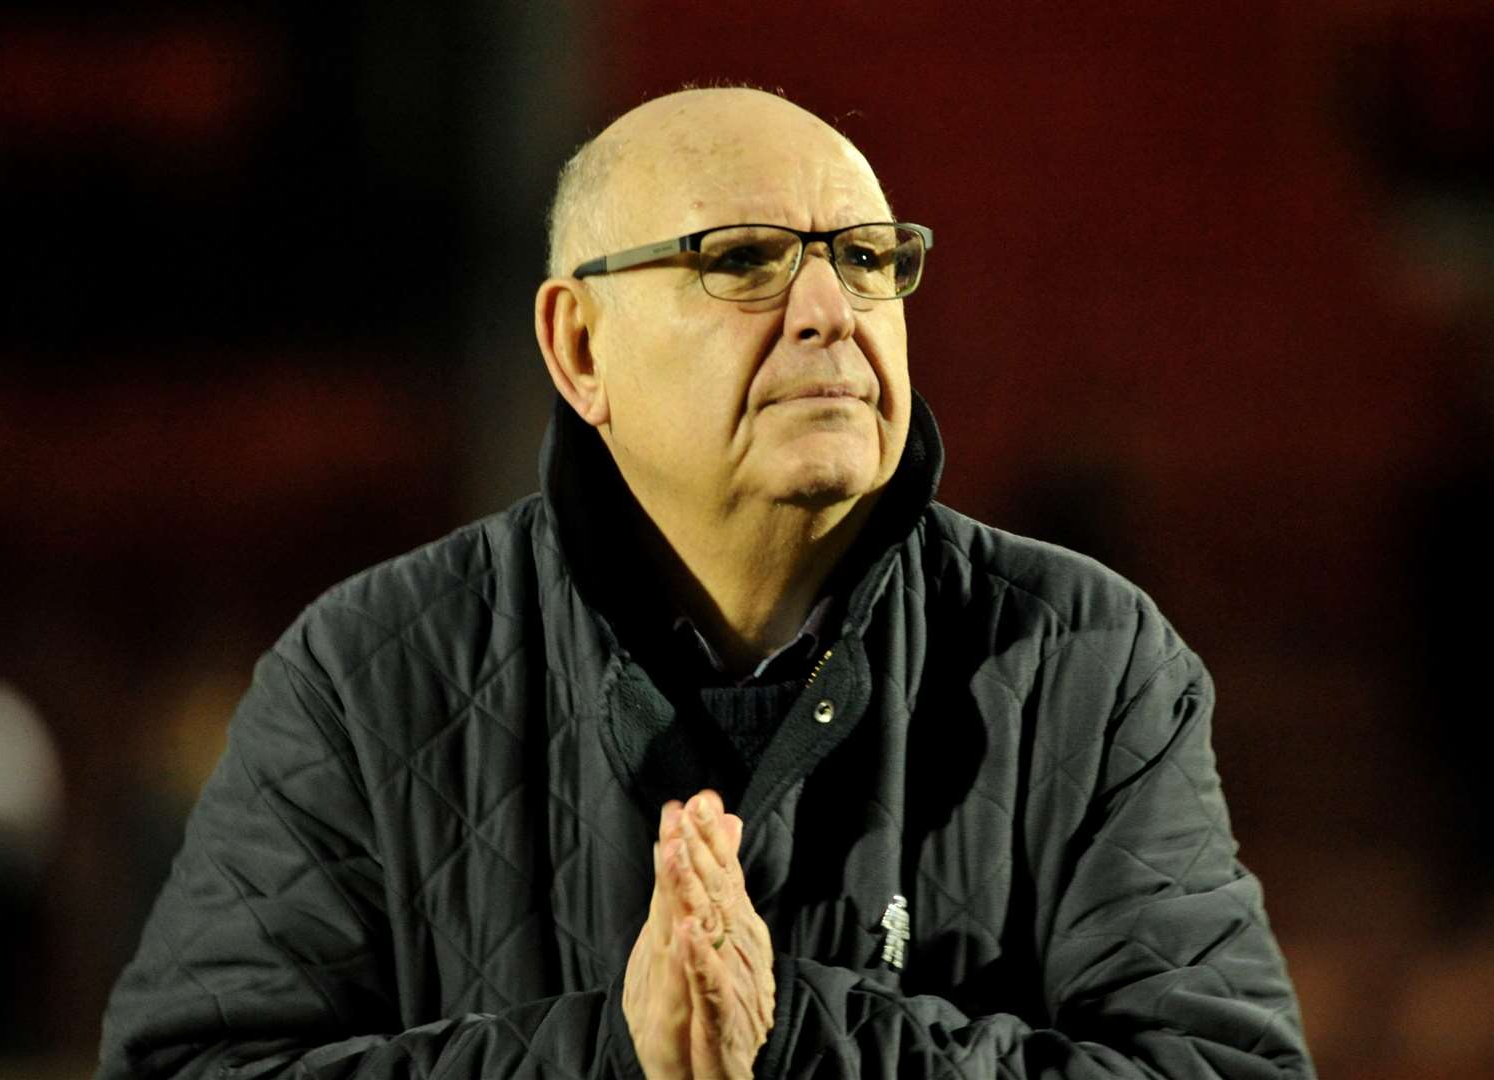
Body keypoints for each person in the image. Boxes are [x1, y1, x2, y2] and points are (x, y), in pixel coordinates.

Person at [96, 87, 1315, 1079]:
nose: (833, 313)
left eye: (871, 259)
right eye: (744, 261)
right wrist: (610, 1055)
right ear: (581, 347)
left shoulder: (1088, 661)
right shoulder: (363, 673)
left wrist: (798, 1043)